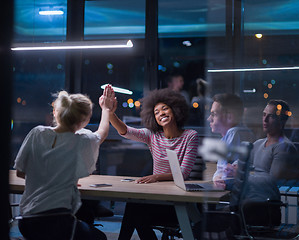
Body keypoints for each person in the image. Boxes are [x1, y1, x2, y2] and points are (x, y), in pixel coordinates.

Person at [14, 85, 115, 240]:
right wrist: (106, 109)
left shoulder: (37, 133)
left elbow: (21, 172)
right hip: (58, 222)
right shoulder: (83, 140)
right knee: (99, 237)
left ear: (56, 113)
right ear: (85, 120)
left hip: (26, 222)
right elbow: (102, 133)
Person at [106, 87, 199, 240]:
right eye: (156, 112)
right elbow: (126, 131)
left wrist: (156, 177)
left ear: (175, 110)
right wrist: (110, 113)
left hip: (178, 201)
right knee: (133, 206)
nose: (161, 113)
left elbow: (183, 173)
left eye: (165, 109)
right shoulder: (152, 135)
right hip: (156, 199)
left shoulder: (190, 136)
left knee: (134, 209)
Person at [243, 99, 299, 226]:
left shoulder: (284, 147)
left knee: (216, 218)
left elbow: (271, 180)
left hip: (263, 208)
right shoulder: (257, 144)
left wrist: (241, 174)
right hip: (248, 200)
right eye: (264, 115)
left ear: (282, 121)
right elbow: (241, 166)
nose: (265, 120)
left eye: (271, 116)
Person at [207, 93, 255, 189]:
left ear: (229, 117)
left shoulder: (235, 132)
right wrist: (216, 177)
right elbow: (221, 172)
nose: (209, 119)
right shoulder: (232, 134)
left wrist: (217, 177)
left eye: (214, 114)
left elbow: (225, 175)